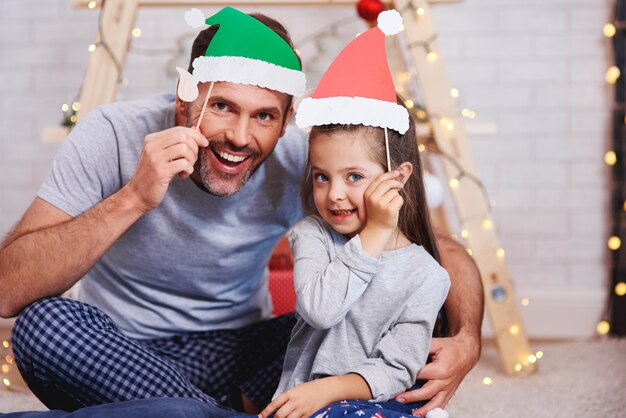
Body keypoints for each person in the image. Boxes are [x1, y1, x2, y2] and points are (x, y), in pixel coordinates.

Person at [0, 6, 482, 417]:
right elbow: (6, 290)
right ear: (186, 96)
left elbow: (432, 250)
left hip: (244, 352)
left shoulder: (304, 165)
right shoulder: (112, 133)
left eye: (264, 116)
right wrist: (134, 198)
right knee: (44, 326)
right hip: (120, 352)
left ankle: (180, 410)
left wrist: (466, 338)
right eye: (224, 106)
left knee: (392, 314)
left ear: (287, 119)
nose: (239, 136)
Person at [259, 11, 449, 418]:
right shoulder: (313, 235)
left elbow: (398, 367)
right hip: (305, 404)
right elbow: (320, 309)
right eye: (322, 176)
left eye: (355, 176)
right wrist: (375, 234)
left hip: (372, 405)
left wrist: (333, 390)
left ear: (398, 178)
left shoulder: (428, 276)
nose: (334, 194)